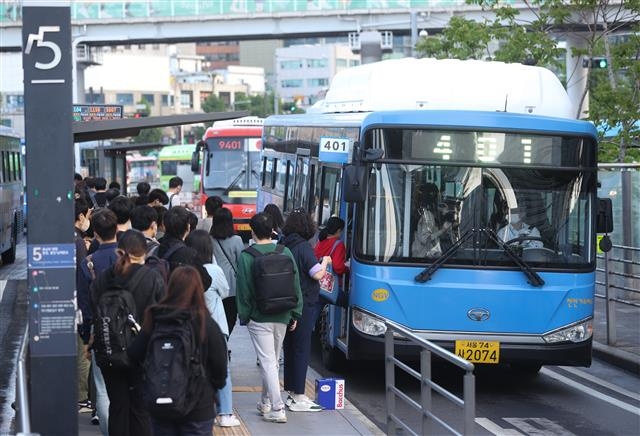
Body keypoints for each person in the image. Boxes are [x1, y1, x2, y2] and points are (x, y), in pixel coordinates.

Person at [128, 266, 228, 436]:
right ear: (199, 289)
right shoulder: (205, 322)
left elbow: (134, 353)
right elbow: (220, 364)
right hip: (198, 406)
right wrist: (212, 387)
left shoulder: (155, 317)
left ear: (170, 287)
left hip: (161, 403)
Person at [90, 230, 166, 436]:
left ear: (118, 250)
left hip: (110, 352)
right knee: (140, 409)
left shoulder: (104, 278)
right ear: (144, 252)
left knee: (118, 407)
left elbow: (94, 311)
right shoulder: (152, 278)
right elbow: (161, 313)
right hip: (143, 353)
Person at [236, 212, 303, 424]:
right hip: (283, 314)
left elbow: (244, 290)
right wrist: (295, 312)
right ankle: (265, 402)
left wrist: (245, 315)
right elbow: (296, 284)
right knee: (271, 361)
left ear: (252, 231)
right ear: (273, 230)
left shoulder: (247, 256)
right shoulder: (285, 251)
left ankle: (277, 407)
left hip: (260, 316)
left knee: (268, 362)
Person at [185, 230, 240, 428]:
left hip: (190, 327)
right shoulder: (214, 271)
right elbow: (225, 292)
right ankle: (225, 413)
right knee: (222, 367)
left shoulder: (185, 270)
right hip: (215, 325)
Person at [280, 210, 330, 412]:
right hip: (304, 303)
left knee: (290, 348)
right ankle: (299, 396)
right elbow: (317, 274)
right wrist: (325, 261)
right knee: (301, 348)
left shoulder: (284, 244)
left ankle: (292, 392)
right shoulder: (303, 247)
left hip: (286, 301)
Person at [78, 208, 120, 434]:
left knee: (102, 387)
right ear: (117, 228)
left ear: (95, 232)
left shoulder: (89, 263)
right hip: (128, 327)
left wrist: (87, 336)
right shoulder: (127, 258)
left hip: (100, 328)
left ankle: (108, 431)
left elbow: (84, 305)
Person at [158, 206, 212, 290]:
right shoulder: (189, 254)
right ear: (188, 227)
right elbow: (205, 281)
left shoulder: (157, 245)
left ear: (164, 225)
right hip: (181, 296)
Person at [210, 207, 245, 335]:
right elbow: (241, 262)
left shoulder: (209, 240)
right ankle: (224, 340)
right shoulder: (237, 240)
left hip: (214, 284)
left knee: (216, 317)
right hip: (232, 287)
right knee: (230, 318)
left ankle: (219, 341)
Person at [411, 183, 452, 258]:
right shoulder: (427, 215)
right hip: (423, 256)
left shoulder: (423, 212)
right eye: (438, 197)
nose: (440, 200)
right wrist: (443, 230)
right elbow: (426, 239)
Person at [315, 216, 349, 296]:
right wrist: (347, 268)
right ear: (338, 230)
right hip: (330, 286)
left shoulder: (320, 241)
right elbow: (338, 267)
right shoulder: (339, 244)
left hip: (317, 282)